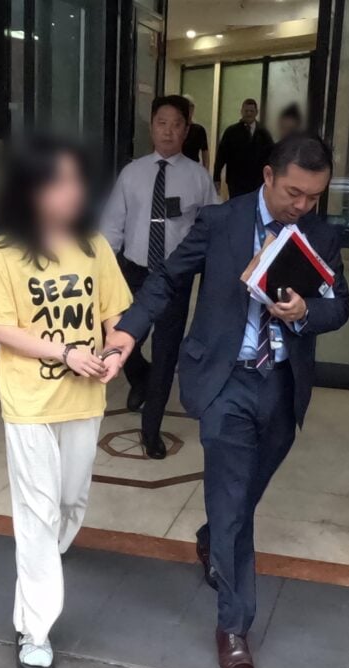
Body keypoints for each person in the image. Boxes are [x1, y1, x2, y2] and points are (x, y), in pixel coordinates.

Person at [102, 134, 349, 668]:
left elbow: (340, 307)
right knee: (235, 502)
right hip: (226, 381)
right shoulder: (221, 222)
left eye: (314, 197)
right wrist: (129, 330)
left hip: (282, 385)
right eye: (293, 193)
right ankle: (234, 626)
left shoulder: (320, 234)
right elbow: (168, 278)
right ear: (268, 176)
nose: (302, 206)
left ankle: (211, 537)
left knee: (241, 496)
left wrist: (307, 311)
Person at [0, 136, 131, 668]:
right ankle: (34, 627)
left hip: (84, 398)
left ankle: (47, 554)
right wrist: (64, 352)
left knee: (69, 499)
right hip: (29, 401)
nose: (73, 191)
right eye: (60, 181)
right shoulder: (4, 253)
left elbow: (115, 317)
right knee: (37, 511)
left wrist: (114, 352)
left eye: (76, 181)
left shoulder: (94, 247)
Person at [101, 94, 218, 459]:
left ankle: (151, 429)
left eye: (176, 125)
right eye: (162, 123)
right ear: (151, 127)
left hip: (175, 277)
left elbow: (213, 228)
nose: (168, 131)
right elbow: (112, 225)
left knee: (166, 353)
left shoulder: (198, 178)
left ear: (187, 130)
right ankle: (139, 376)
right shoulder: (132, 173)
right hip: (134, 271)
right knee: (124, 339)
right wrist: (100, 268)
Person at [213, 98, 274, 198]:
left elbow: (271, 157)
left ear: (256, 112)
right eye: (246, 111)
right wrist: (216, 177)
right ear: (241, 112)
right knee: (237, 205)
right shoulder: (231, 132)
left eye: (251, 111)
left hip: (257, 181)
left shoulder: (264, 133)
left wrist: (271, 177)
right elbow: (221, 156)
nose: (249, 114)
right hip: (236, 181)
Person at [181, 95, 210, 171]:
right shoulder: (176, 129)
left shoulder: (199, 130)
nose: (188, 110)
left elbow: (205, 152)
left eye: (191, 107)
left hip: (193, 168)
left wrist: (205, 171)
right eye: (185, 107)